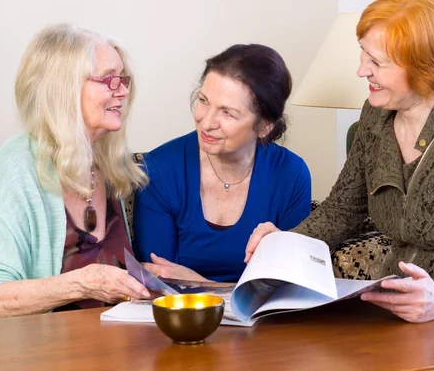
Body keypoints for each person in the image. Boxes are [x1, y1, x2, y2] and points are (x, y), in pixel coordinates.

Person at [245, 0, 434, 359]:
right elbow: (341, 210)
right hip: (401, 299)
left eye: (378, 62)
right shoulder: (374, 116)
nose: (362, 71)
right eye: (362, 54)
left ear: (427, 64)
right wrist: (282, 243)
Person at [0, 23, 151, 323]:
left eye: (123, 79)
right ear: (63, 89)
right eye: (109, 80)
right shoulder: (10, 169)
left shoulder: (108, 164)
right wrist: (83, 282)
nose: (124, 91)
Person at [133, 44, 311, 282]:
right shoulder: (158, 170)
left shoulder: (292, 174)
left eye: (227, 113)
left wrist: (202, 284)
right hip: (181, 317)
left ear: (264, 125)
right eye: (204, 101)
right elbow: (160, 280)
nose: (206, 122)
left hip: (266, 318)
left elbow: (288, 283)